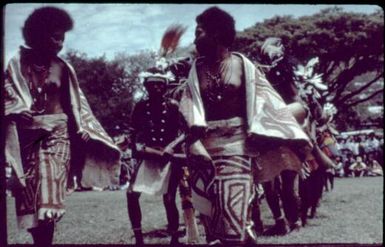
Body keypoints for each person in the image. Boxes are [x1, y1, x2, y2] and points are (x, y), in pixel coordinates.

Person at [178, 7, 311, 244]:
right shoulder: (195, 70)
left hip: (238, 147)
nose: (194, 40)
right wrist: (194, 142)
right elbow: (187, 107)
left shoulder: (243, 65)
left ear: (216, 34)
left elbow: (269, 102)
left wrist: (268, 131)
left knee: (232, 219)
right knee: (212, 221)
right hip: (204, 151)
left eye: (198, 33)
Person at [3, 7, 120, 246]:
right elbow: (8, 95)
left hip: (58, 137)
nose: (59, 43)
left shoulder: (64, 68)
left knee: (48, 197)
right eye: (55, 37)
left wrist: (82, 129)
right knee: (32, 204)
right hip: (26, 139)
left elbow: (77, 105)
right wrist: (16, 110)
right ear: (37, 35)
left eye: (62, 39)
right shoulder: (16, 63)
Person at [127, 68, 183, 245]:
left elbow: (185, 131)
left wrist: (171, 147)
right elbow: (133, 131)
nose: (156, 88)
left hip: (169, 158)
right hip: (148, 155)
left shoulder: (174, 106)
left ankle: (174, 238)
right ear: (146, 87)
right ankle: (138, 238)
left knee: (169, 198)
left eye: (160, 85)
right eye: (152, 85)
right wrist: (137, 146)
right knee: (131, 194)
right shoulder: (141, 107)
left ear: (165, 86)